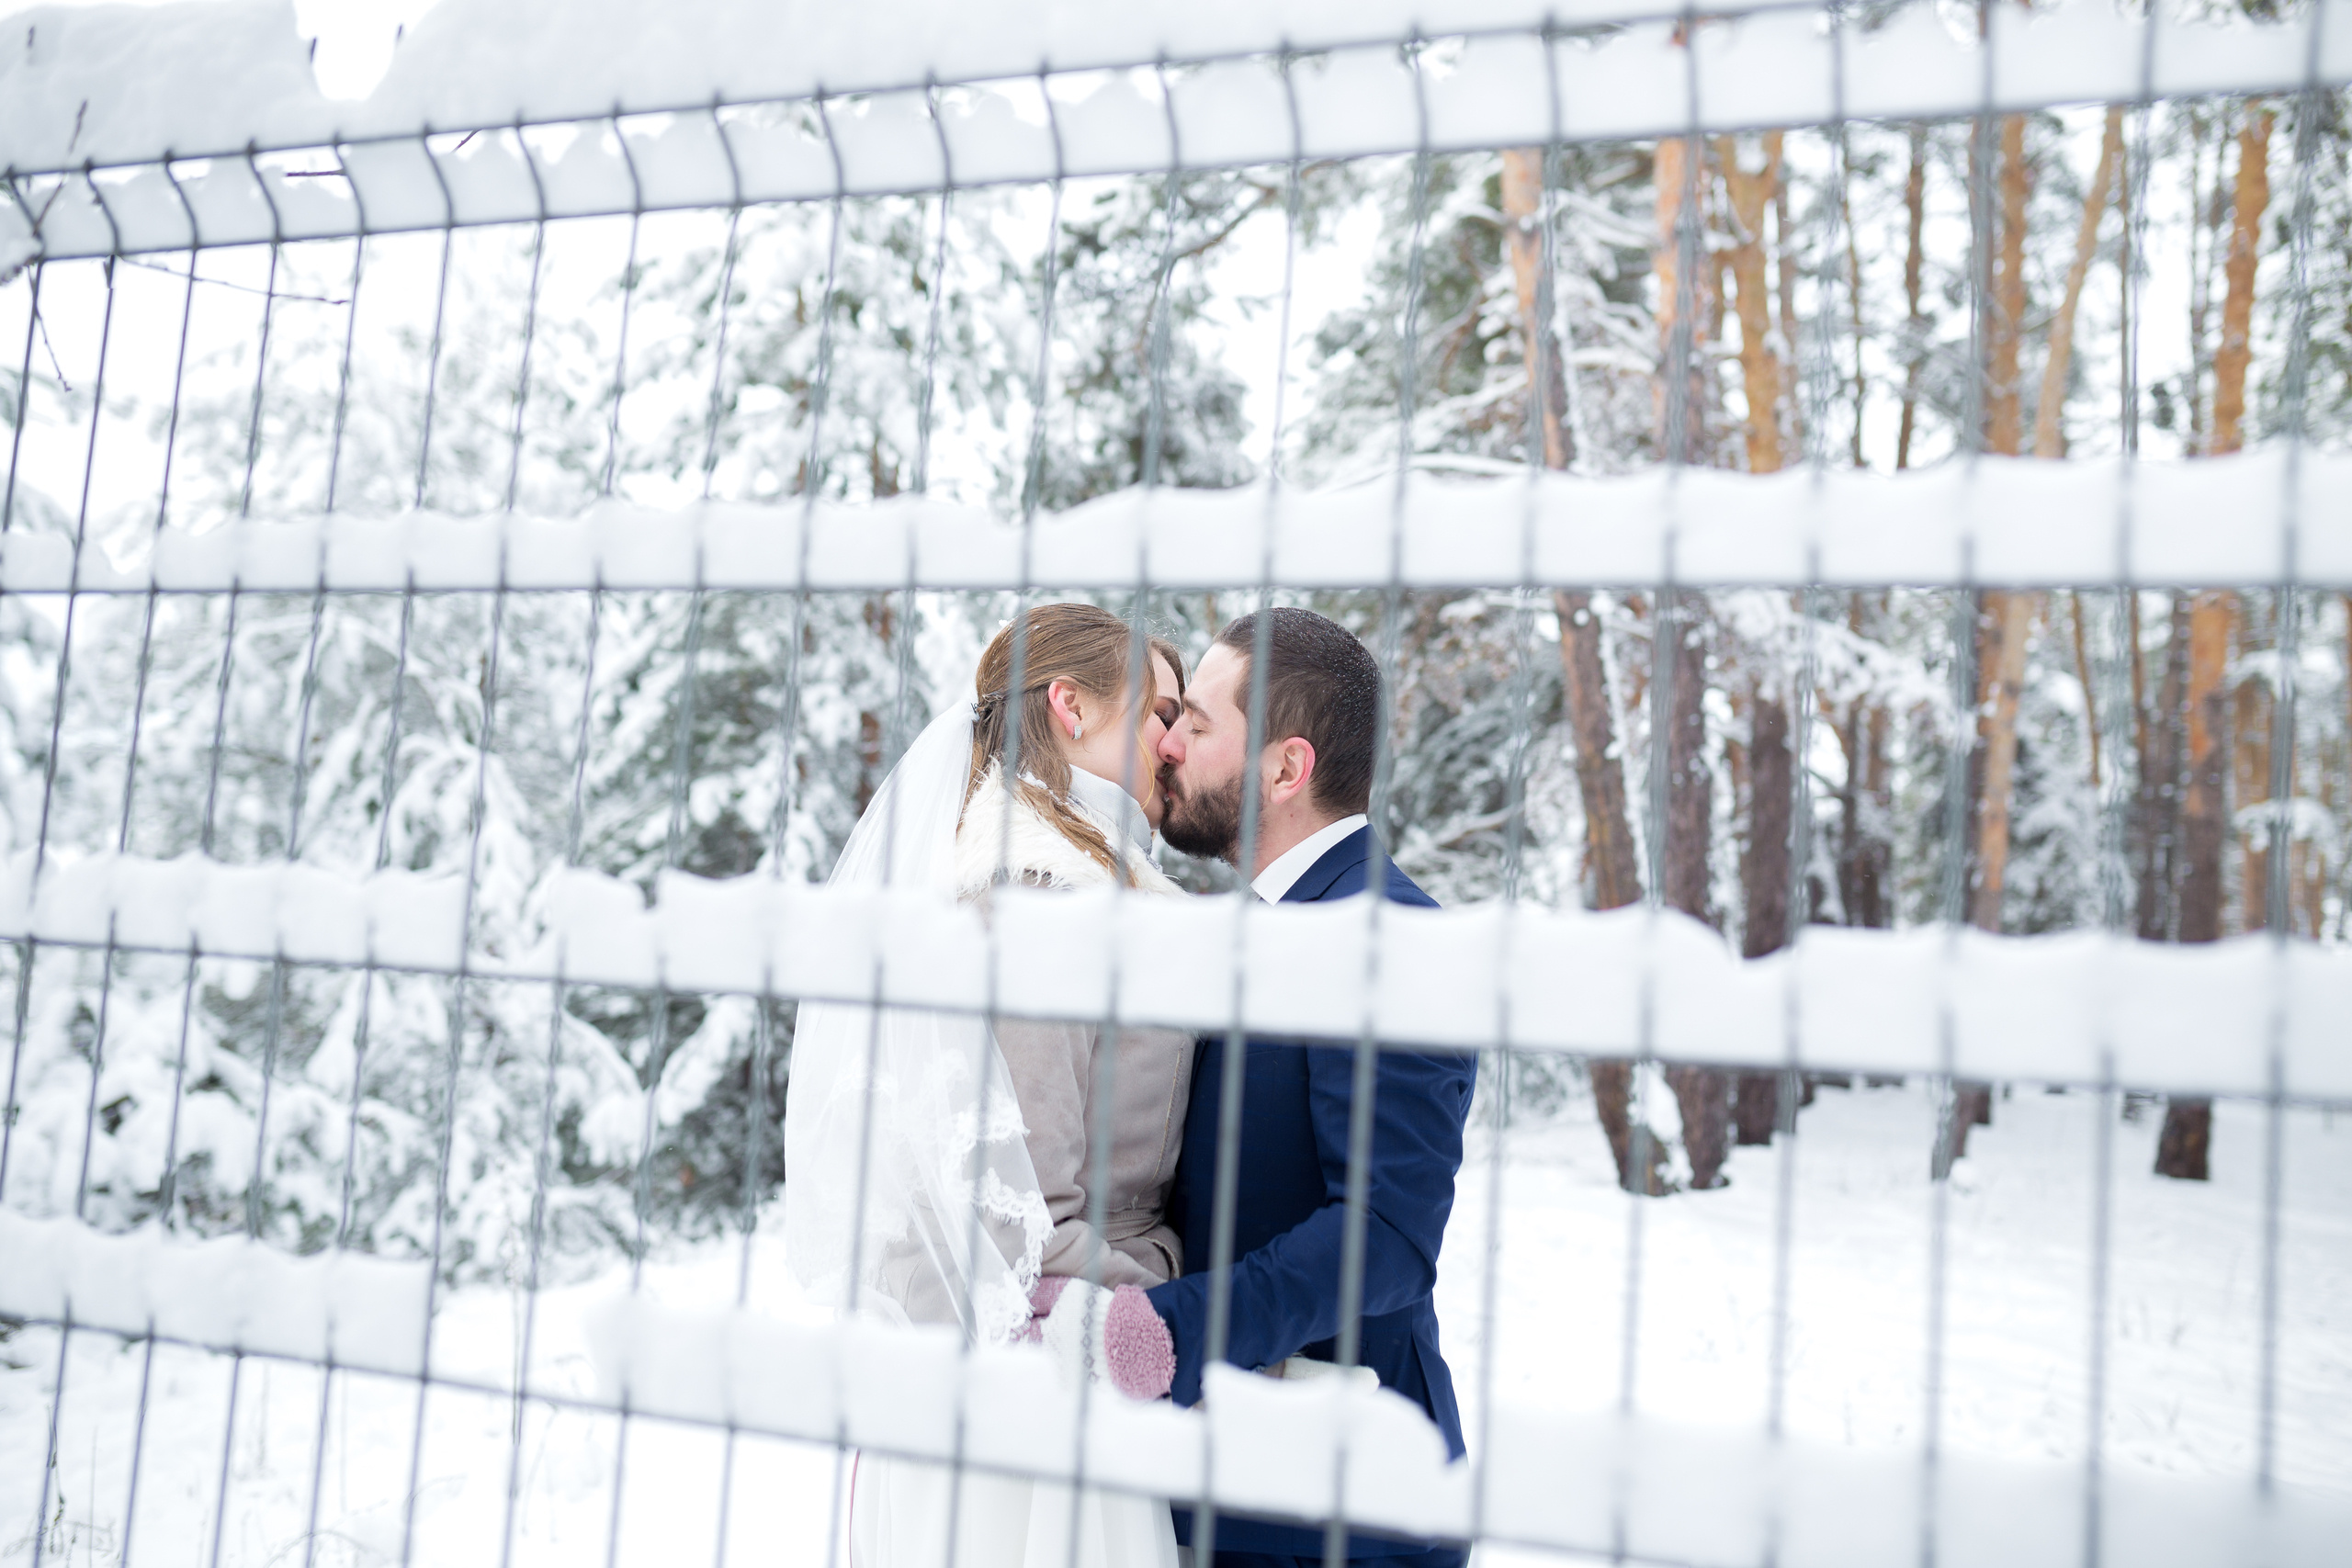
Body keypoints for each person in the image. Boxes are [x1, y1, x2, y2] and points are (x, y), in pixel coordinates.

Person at [784, 603, 1195, 1568]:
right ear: (1070, 705)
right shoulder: (1036, 899)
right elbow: (1026, 1225)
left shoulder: (1086, 884)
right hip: (1041, 1410)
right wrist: (1185, 1285)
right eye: (1160, 714)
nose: (1177, 744)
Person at [1145, 606, 1477, 1568]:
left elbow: (1384, 1237)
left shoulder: (1387, 940)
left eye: (1197, 724)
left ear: (1284, 770)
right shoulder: (1249, 926)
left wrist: (1155, 1331)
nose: (1166, 741)